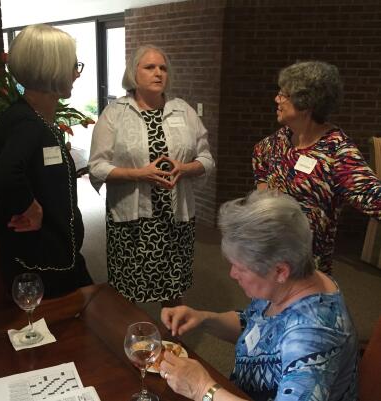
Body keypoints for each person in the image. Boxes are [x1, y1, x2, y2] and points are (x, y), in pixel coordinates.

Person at [159, 190, 358, 401]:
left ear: (280, 271)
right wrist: (205, 319)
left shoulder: (311, 338)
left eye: (241, 268)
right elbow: (255, 325)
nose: (232, 274)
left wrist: (202, 389)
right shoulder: (296, 277)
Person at [88, 44, 214, 306]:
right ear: (134, 73)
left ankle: (171, 343)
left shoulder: (184, 111)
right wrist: (138, 174)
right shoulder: (115, 113)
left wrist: (186, 168)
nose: (158, 73)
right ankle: (130, 342)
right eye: (150, 67)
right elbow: (97, 166)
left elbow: (206, 159)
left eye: (163, 68)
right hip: (131, 221)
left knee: (173, 289)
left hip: (176, 217)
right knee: (127, 292)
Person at [0, 24, 93, 297]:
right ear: (53, 68)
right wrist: (30, 207)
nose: (77, 73)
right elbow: (5, 174)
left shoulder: (36, 119)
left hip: (58, 257)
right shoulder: (27, 123)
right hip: (41, 266)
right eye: (73, 65)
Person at [252, 60, 381, 274]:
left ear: (306, 104)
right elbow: (260, 160)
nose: (277, 99)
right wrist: (265, 203)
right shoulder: (278, 140)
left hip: (306, 271)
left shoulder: (337, 152)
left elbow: (375, 199)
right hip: (269, 259)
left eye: (284, 95)